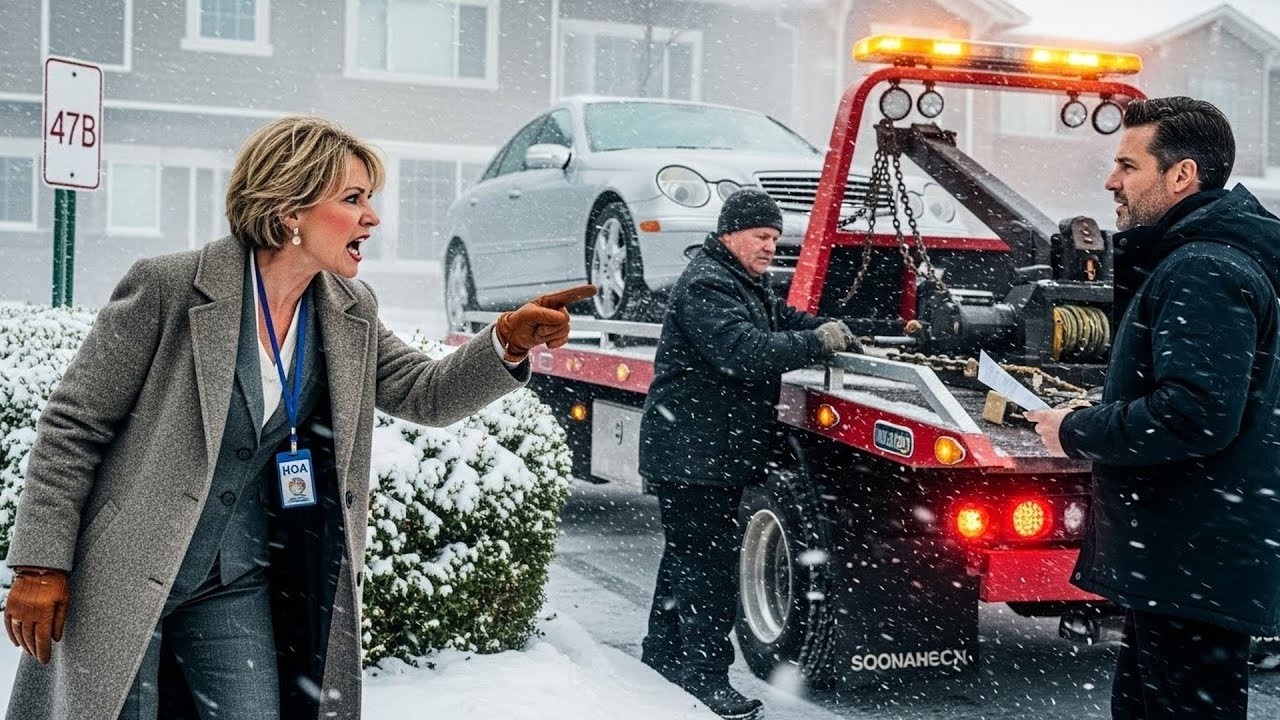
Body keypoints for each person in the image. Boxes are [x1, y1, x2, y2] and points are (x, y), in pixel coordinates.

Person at [2, 115, 594, 720]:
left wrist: (506, 342)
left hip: (234, 580)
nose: (373, 217)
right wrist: (40, 564)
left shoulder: (348, 309)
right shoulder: (169, 287)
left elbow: (425, 393)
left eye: (370, 200)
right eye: (354, 199)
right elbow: (73, 428)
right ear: (290, 210)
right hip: (126, 573)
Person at [1026, 97, 1280, 719]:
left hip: (1190, 559)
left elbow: (1192, 415)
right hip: (1191, 560)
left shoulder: (1203, 269)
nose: (1111, 181)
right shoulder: (1216, 258)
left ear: (1182, 175)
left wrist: (1078, 429)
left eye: (1127, 165)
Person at [638, 188, 857, 719]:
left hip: (705, 456)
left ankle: (662, 657)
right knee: (707, 569)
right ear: (730, 233)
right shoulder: (708, 285)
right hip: (693, 458)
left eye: (776, 239)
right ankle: (707, 679)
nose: (769, 248)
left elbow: (778, 320)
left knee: (688, 559)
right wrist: (817, 344)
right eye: (761, 236)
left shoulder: (739, 281)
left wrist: (831, 329)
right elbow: (744, 353)